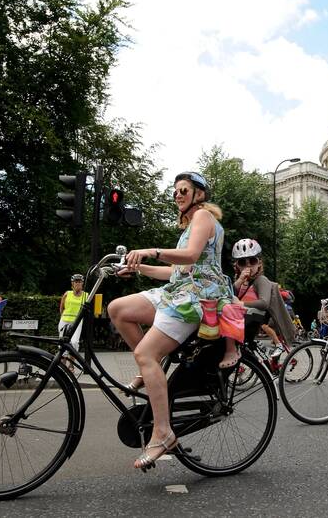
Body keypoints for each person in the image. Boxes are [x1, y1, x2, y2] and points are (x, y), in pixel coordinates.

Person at [107, 171, 234, 471]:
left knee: (146, 353)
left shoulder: (203, 217)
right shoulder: (190, 225)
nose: (177, 194)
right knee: (118, 309)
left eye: (184, 190)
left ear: (199, 195)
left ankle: (163, 432)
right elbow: (176, 271)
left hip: (195, 298)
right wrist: (138, 267)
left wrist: (150, 251)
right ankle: (149, 368)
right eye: (175, 191)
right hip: (176, 290)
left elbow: (189, 257)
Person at [230, 239, 295, 362]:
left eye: (252, 261)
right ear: (237, 265)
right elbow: (230, 296)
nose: (248, 265)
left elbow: (264, 303)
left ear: (259, 263)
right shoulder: (242, 281)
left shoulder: (261, 280)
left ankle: (278, 347)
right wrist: (239, 281)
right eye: (243, 262)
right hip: (241, 323)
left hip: (251, 324)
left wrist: (241, 303)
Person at [59, 274, 86, 350]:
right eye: (76, 281)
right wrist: (62, 317)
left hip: (77, 322)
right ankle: (62, 361)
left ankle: (70, 361)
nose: (78, 283)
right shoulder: (67, 294)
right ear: (72, 283)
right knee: (62, 344)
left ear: (82, 283)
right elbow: (61, 308)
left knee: (74, 343)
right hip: (64, 321)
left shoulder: (86, 295)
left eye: (79, 281)